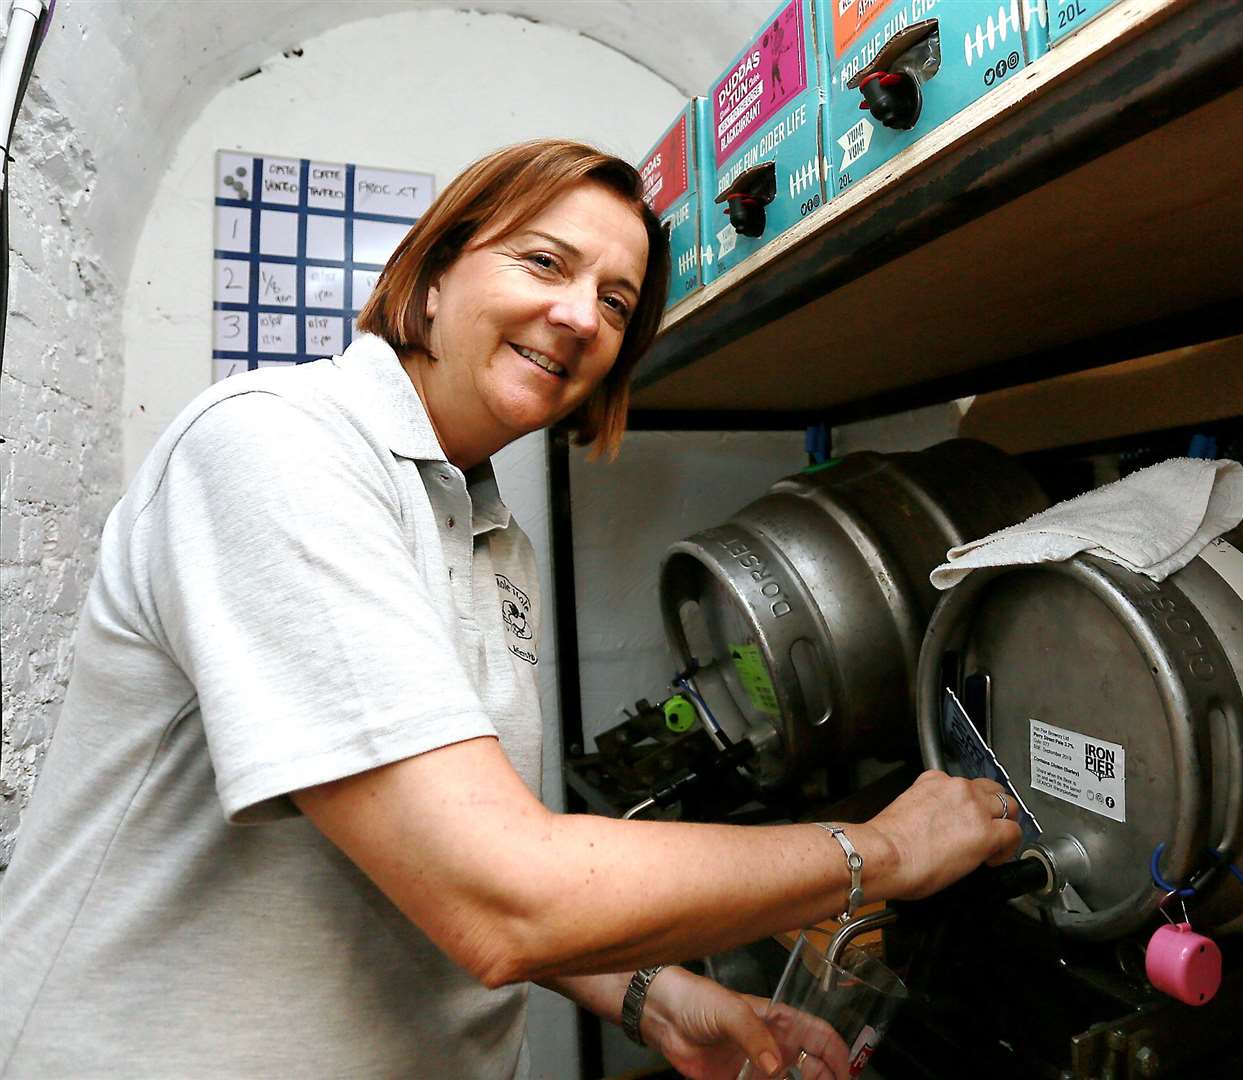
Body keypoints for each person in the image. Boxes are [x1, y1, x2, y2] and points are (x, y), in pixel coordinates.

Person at [0, 140, 1021, 1078]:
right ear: (435, 274)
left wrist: (648, 994)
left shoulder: (494, 539)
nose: (582, 317)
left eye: (617, 304)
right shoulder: (279, 450)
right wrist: (879, 852)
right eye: (543, 263)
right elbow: (499, 894)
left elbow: (418, 854)